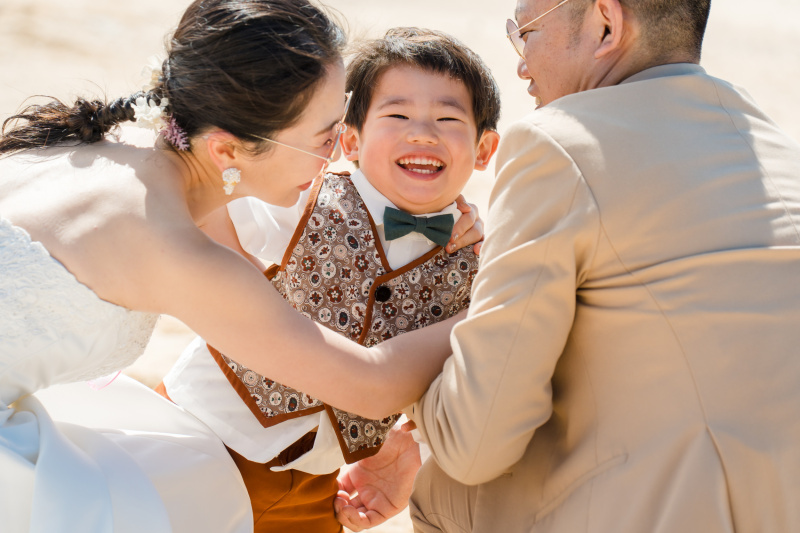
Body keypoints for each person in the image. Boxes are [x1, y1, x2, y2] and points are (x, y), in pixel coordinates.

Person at [0, 1, 484, 531]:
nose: (337, 156)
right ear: (228, 150)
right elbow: (370, 383)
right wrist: (501, 300)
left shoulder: (96, 147)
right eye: (325, 136)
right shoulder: (178, 250)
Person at [333, 0, 800, 531]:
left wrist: (416, 402)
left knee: (447, 487)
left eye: (525, 33)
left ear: (606, 24)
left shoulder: (560, 143)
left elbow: (474, 446)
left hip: (659, 511)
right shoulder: (775, 146)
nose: (521, 66)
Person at [157, 27, 501, 533]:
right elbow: (212, 209)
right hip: (199, 434)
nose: (422, 134)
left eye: (448, 119)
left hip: (319, 489)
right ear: (350, 139)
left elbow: (459, 380)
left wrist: (409, 453)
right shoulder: (303, 196)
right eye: (398, 115)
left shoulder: (480, 264)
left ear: (484, 148)